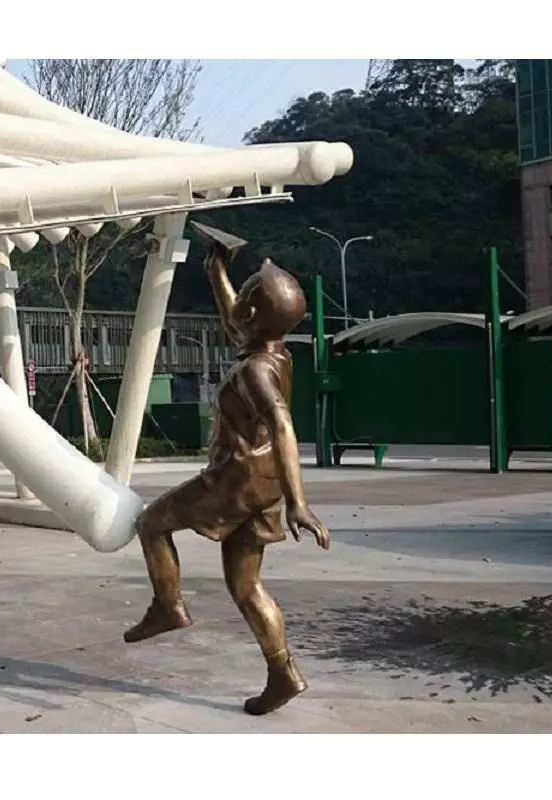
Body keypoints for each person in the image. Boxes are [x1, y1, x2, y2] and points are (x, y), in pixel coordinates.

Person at [123, 236, 331, 716]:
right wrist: (216, 270)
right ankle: (283, 673)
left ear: (254, 314)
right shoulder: (275, 352)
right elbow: (238, 319)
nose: (239, 306)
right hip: (263, 487)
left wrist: (300, 503)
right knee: (246, 587)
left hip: (234, 481)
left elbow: (284, 425)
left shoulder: (255, 370)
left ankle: (168, 606)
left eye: (248, 292)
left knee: (152, 523)